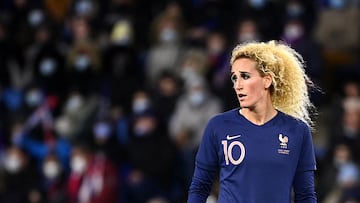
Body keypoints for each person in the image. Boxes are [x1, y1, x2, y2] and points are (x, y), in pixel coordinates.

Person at [188, 40, 318, 203]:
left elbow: (305, 194)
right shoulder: (218, 126)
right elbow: (200, 186)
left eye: (245, 76)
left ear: (267, 80)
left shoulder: (297, 130)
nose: (237, 85)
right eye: (234, 78)